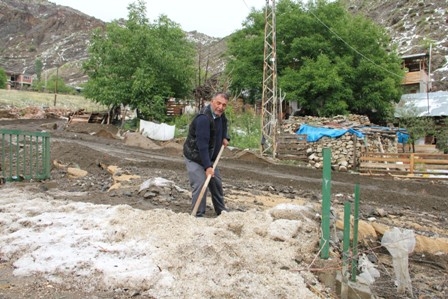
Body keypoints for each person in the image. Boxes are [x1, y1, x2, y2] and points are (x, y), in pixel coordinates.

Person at [183, 92, 230, 217]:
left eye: (224, 105)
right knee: (200, 183)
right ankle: (198, 215)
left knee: (216, 183)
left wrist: (225, 137)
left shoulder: (220, 115)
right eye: (218, 103)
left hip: (210, 156)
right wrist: (208, 167)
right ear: (212, 101)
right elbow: (202, 145)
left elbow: (224, 123)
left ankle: (221, 212)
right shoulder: (203, 118)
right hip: (195, 156)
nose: (220, 107)